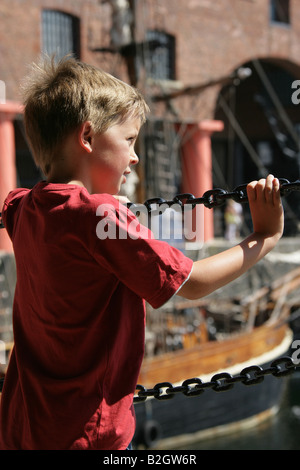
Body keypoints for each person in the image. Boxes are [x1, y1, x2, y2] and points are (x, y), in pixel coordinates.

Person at [0, 56, 284, 450]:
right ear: (87, 137)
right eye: (130, 140)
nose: (135, 157)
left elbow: (17, 203)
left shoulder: (22, 206)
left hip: (24, 423)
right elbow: (193, 283)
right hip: (90, 432)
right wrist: (266, 236)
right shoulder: (101, 215)